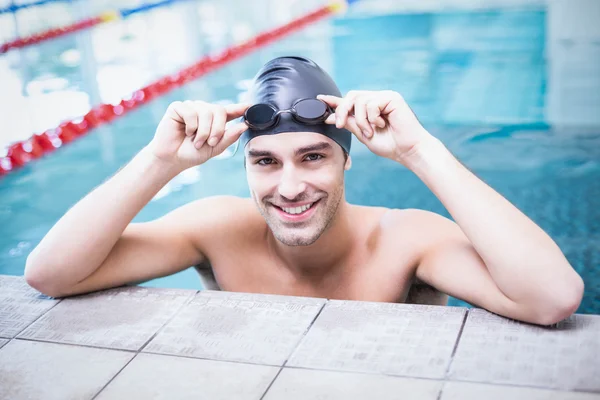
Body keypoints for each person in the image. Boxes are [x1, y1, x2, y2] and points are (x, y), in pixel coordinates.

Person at [24, 56, 583, 325]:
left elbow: (552, 298)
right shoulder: (217, 228)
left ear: (345, 162)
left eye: (313, 157)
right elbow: (53, 274)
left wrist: (420, 151)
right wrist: (158, 162)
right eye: (264, 161)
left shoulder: (407, 239)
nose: (289, 187)